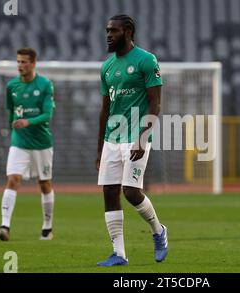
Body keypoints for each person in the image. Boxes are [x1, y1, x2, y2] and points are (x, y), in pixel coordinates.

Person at [95, 14, 168, 266]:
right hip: (111, 138)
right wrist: (99, 149)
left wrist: (142, 137)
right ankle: (119, 254)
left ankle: (159, 231)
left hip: (136, 135)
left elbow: (155, 104)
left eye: (113, 31)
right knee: (109, 191)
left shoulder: (146, 60)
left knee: (131, 192)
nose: (108, 35)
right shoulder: (106, 67)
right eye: (107, 30)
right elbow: (104, 110)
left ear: (127, 31)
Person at [0, 48, 56, 241]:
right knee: (13, 179)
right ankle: (5, 226)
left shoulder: (45, 85)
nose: (20, 65)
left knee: (44, 184)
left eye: (24, 62)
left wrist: (28, 121)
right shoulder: (12, 86)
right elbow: (10, 113)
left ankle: (47, 227)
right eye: (18, 62)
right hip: (19, 142)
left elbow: (48, 115)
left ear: (33, 63)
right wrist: (14, 130)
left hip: (41, 143)